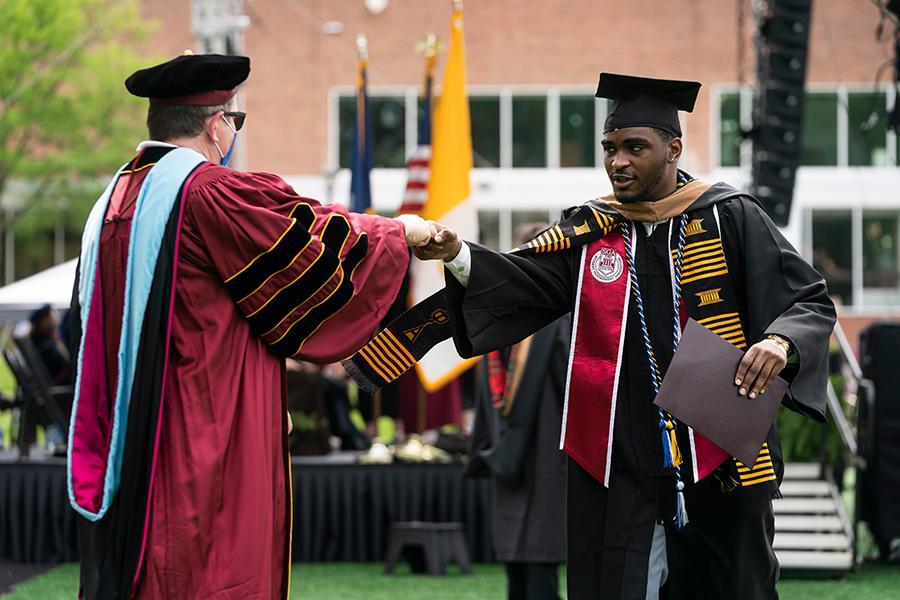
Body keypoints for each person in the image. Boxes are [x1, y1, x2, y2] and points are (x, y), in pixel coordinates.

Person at [392, 74, 836, 599]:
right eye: (610, 148)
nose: (617, 161)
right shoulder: (592, 229)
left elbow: (806, 298)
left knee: (729, 584)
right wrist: (456, 254)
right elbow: (526, 281)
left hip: (717, 445)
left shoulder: (727, 217)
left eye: (634, 148)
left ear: (673, 150)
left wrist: (781, 342)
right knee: (615, 582)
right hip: (618, 450)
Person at [66, 53, 432, 600]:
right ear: (217, 124)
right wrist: (402, 232)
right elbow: (309, 237)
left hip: (136, 433)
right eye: (235, 121)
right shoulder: (207, 191)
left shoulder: (117, 199)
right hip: (204, 433)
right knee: (205, 573)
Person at [466, 222, 568, 600]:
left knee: (521, 559)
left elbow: (483, 391)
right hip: (548, 450)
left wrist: (482, 449)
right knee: (539, 555)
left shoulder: (497, 317)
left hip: (506, 452)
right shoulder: (559, 319)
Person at [29, 304, 71, 384]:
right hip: (62, 391)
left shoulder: (38, 344)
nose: (55, 319)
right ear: (43, 321)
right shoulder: (46, 349)